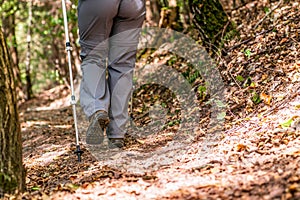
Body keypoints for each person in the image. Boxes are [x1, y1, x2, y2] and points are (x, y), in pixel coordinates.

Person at [77, 0, 146, 148]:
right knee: (123, 64)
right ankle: (117, 133)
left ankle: (97, 108)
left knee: (93, 56)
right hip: (134, 4)